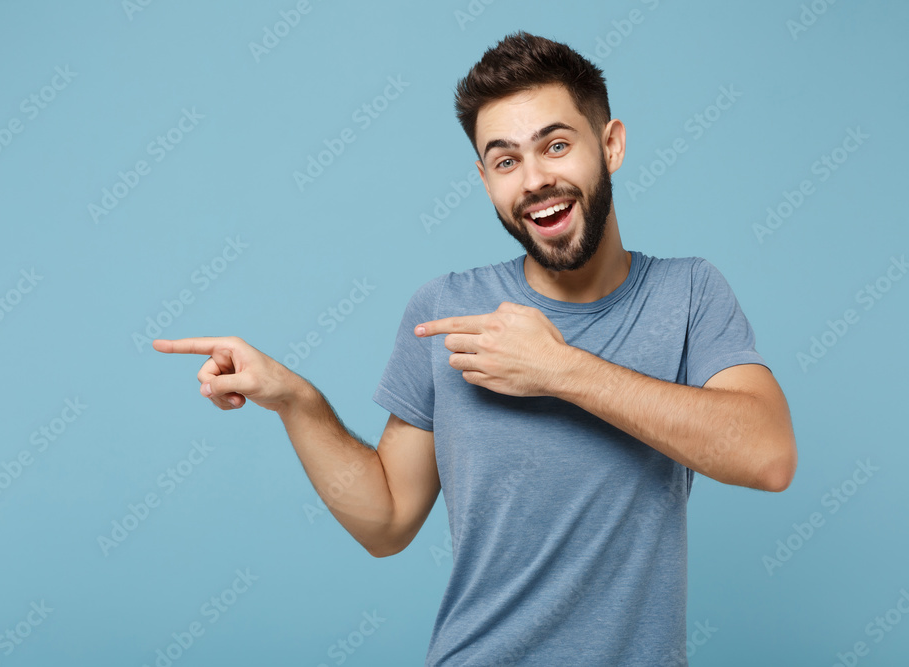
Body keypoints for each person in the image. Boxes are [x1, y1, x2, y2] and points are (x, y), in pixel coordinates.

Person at [154, 31, 797, 667]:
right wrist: (296, 401)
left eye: (556, 145)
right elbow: (387, 521)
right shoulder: (447, 309)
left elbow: (767, 456)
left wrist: (560, 370)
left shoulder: (688, 292)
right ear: (485, 177)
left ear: (611, 145)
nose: (536, 179)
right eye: (506, 160)